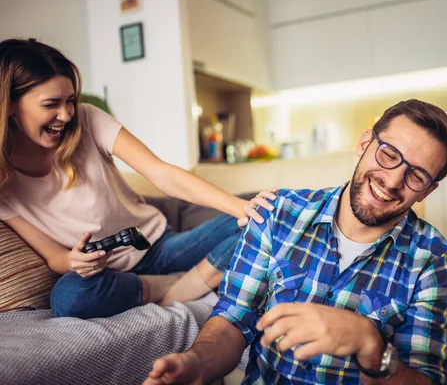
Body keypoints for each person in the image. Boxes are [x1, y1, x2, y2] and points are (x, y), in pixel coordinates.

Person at [144, 99, 447, 385]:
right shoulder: (277, 214)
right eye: (389, 154)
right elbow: (232, 319)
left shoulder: (434, 263)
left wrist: (372, 347)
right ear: (365, 143)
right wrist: (197, 364)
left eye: (417, 176)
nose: (393, 181)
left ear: (427, 190)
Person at [0, 38, 276, 319]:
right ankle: (165, 286)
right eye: (51, 104)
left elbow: (162, 174)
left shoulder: (88, 119)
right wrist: (73, 261)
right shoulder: (3, 185)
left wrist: (240, 207)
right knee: (69, 297)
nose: (66, 114)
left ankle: (192, 281)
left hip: (160, 246)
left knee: (269, 218)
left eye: (70, 100)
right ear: (9, 105)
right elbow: (53, 257)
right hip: (108, 277)